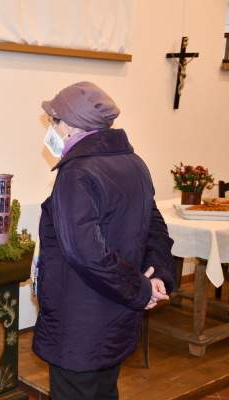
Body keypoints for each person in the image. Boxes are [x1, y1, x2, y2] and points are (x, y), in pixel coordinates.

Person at [33, 82, 175, 400]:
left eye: (55, 120)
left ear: (71, 124)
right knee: (103, 391)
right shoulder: (134, 163)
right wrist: (157, 275)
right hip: (115, 316)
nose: (52, 128)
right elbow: (155, 227)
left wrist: (141, 289)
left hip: (80, 323)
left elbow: (86, 253)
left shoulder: (77, 172)